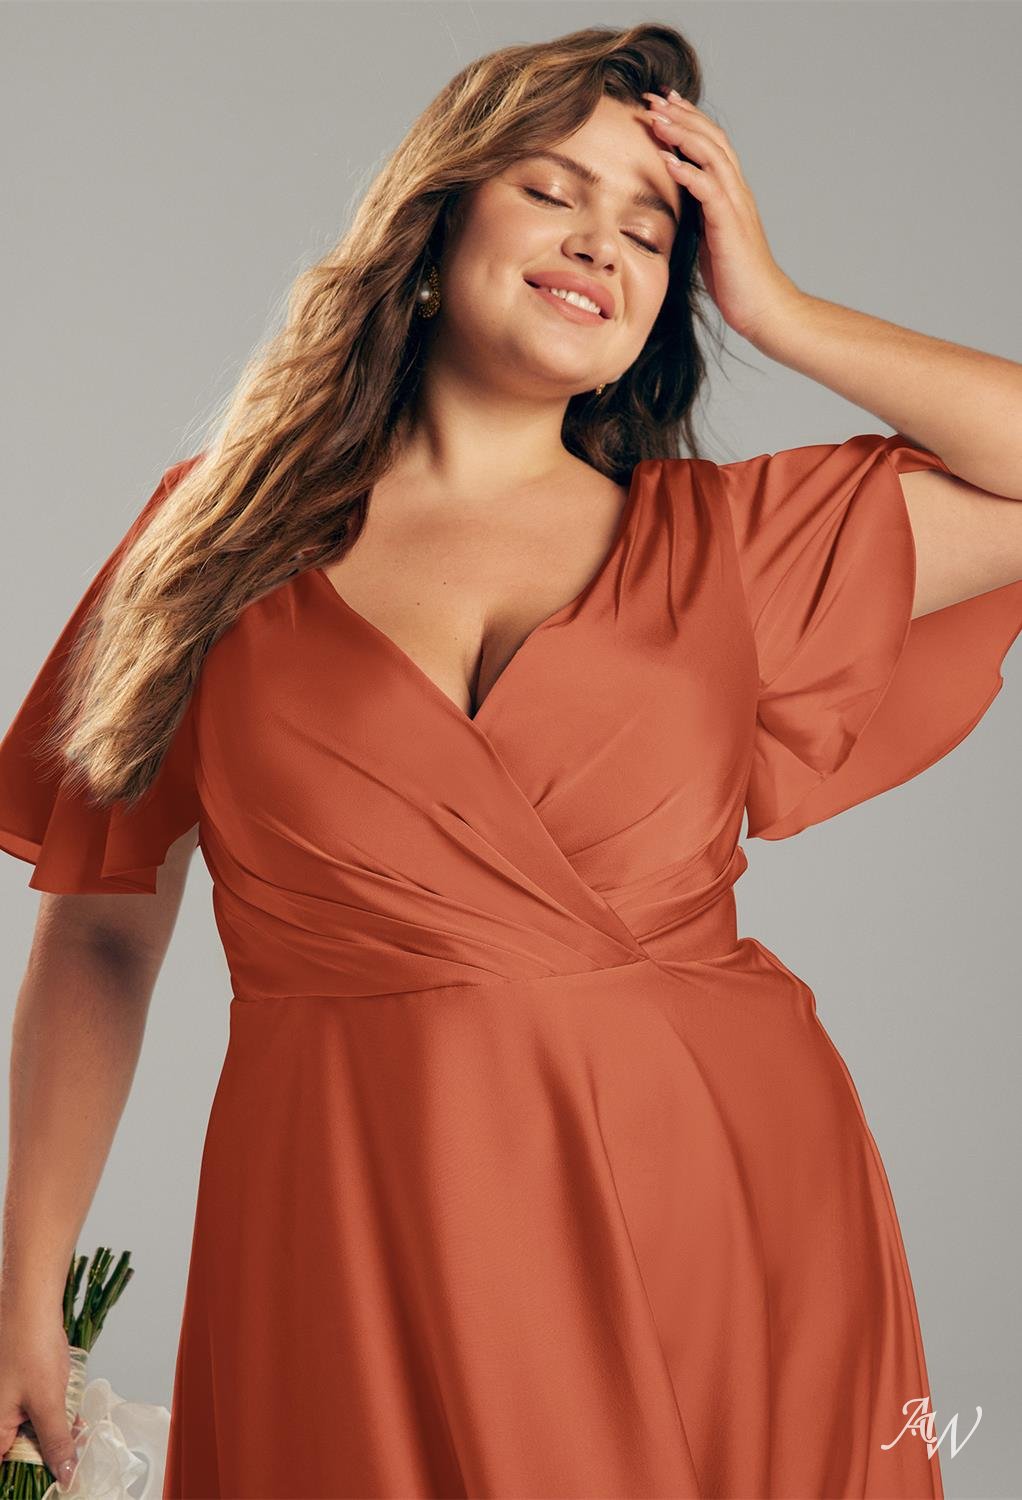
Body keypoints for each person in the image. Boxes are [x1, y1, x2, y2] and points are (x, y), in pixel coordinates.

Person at [1, 20, 1020, 1500]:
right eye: (552, 190)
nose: (600, 241)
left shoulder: (727, 544)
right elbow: (100, 925)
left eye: (652, 230)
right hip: (347, 1220)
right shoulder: (207, 543)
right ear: (435, 223)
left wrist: (782, 310)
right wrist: (26, 1283)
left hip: (723, 1202)